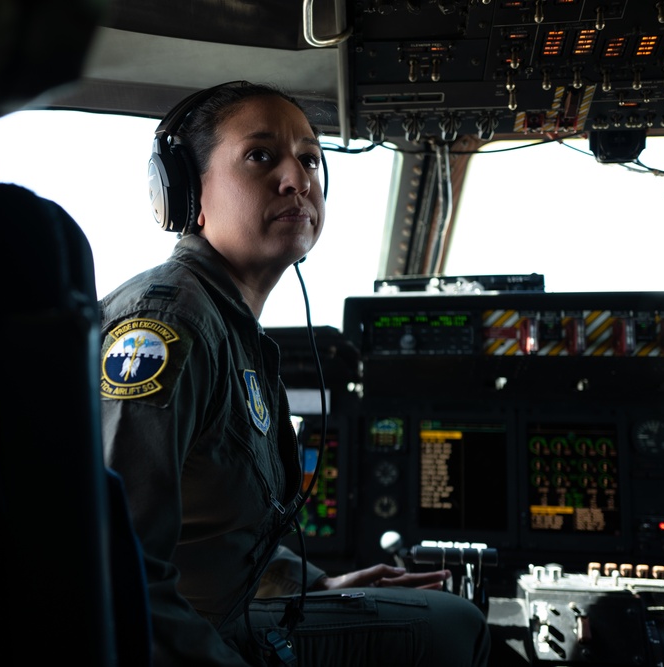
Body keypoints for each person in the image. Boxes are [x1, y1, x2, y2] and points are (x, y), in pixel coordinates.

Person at [98, 81, 490, 666]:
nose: (297, 179)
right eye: (261, 156)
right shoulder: (165, 326)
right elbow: (111, 568)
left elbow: (213, 541)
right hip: (178, 642)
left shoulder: (231, 330)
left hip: (223, 621)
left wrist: (316, 584)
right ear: (185, 193)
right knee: (457, 633)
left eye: (309, 158)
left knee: (452, 622)